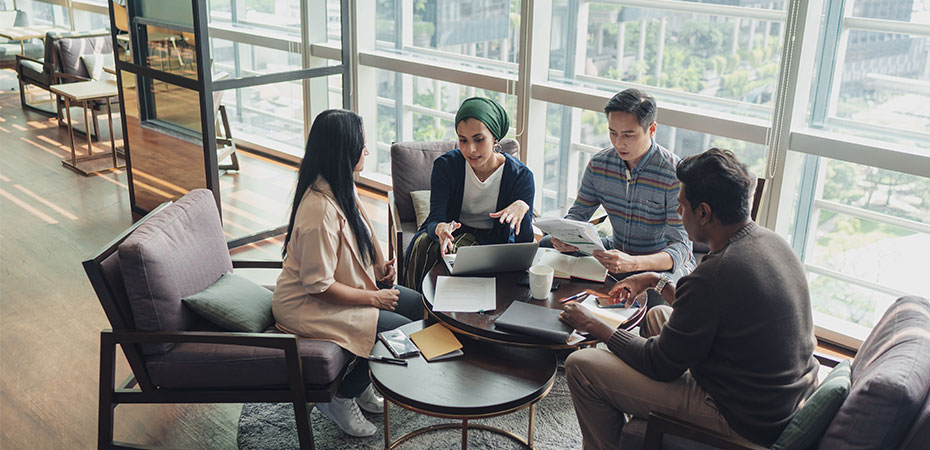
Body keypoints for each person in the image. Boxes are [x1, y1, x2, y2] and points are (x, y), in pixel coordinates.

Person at [559, 148, 820, 449]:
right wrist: (656, 280)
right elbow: (711, 311)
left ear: (704, 212)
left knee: (581, 365)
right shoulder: (771, 241)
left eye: (681, 207)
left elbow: (659, 364)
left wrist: (595, 325)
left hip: (739, 418)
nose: (678, 214)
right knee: (658, 316)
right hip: (777, 400)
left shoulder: (716, 273)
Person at [272, 109, 424, 437]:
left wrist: (381, 266)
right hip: (309, 305)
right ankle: (341, 397)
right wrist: (374, 297)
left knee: (418, 308)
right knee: (397, 333)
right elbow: (317, 286)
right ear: (345, 152)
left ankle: (364, 381)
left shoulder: (341, 185)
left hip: (338, 289)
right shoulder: (318, 212)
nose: (366, 152)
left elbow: (362, 233)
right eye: (363, 146)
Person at [544, 89, 693, 304]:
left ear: (651, 129)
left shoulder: (673, 174)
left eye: (628, 135)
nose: (618, 143)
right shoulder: (599, 164)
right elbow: (578, 214)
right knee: (547, 245)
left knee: (654, 300)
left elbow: (682, 248)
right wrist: (565, 236)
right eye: (613, 132)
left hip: (657, 267)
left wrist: (634, 264)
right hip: (616, 251)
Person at [403, 97, 535, 291]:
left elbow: (523, 243)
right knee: (425, 244)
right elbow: (434, 220)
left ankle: (447, 314)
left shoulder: (521, 177)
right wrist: (439, 228)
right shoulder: (446, 166)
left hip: (490, 244)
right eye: (463, 140)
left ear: (495, 138)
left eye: (479, 139)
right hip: (452, 233)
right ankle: (416, 306)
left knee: (462, 249)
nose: (470, 150)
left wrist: (524, 208)